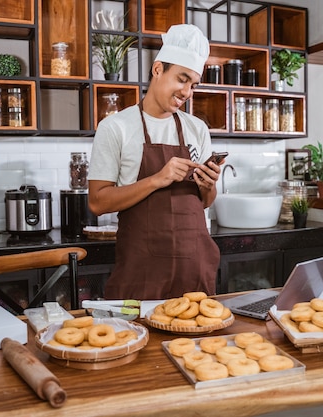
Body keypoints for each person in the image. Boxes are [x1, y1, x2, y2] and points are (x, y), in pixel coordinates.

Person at [88, 24, 223, 300]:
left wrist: (209, 185)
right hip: (141, 274)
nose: (187, 92)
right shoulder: (115, 127)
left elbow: (205, 202)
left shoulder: (197, 129)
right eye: (182, 79)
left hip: (194, 274)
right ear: (158, 69)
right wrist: (157, 179)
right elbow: (98, 202)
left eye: (193, 85)